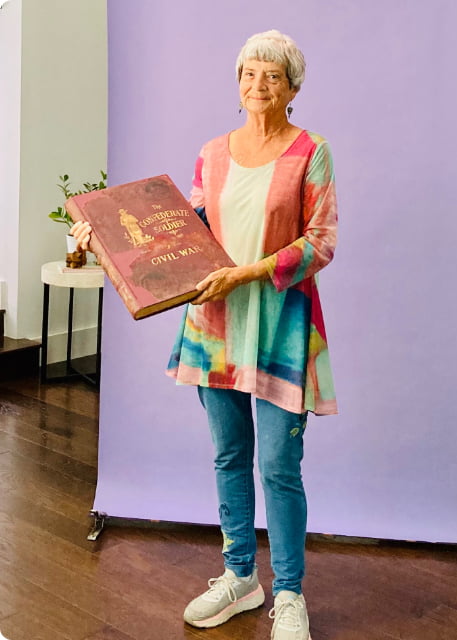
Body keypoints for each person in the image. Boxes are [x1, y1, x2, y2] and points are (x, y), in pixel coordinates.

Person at [72, 29, 338, 640]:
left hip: (277, 325)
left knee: (279, 467)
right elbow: (183, 231)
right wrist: (105, 238)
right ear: (237, 83)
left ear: (293, 87)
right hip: (213, 324)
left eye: (271, 75)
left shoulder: (311, 152)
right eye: (248, 73)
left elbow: (321, 241)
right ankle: (240, 576)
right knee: (228, 456)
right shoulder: (212, 153)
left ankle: (290, 592)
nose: (257, 85)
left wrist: (248, 271)